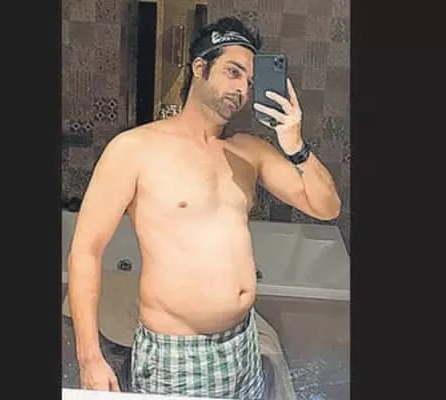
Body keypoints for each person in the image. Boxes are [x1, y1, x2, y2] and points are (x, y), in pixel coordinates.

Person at [68, 16, 341, 399]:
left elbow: (327, 207)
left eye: (249, 81)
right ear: (200, 67)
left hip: (243, 345)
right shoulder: (134, 149)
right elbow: (86, 250)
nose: (242, 89)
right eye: (233, 72)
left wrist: (295, 144)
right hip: (176, 356)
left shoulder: (249, 151)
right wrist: (89, 358)